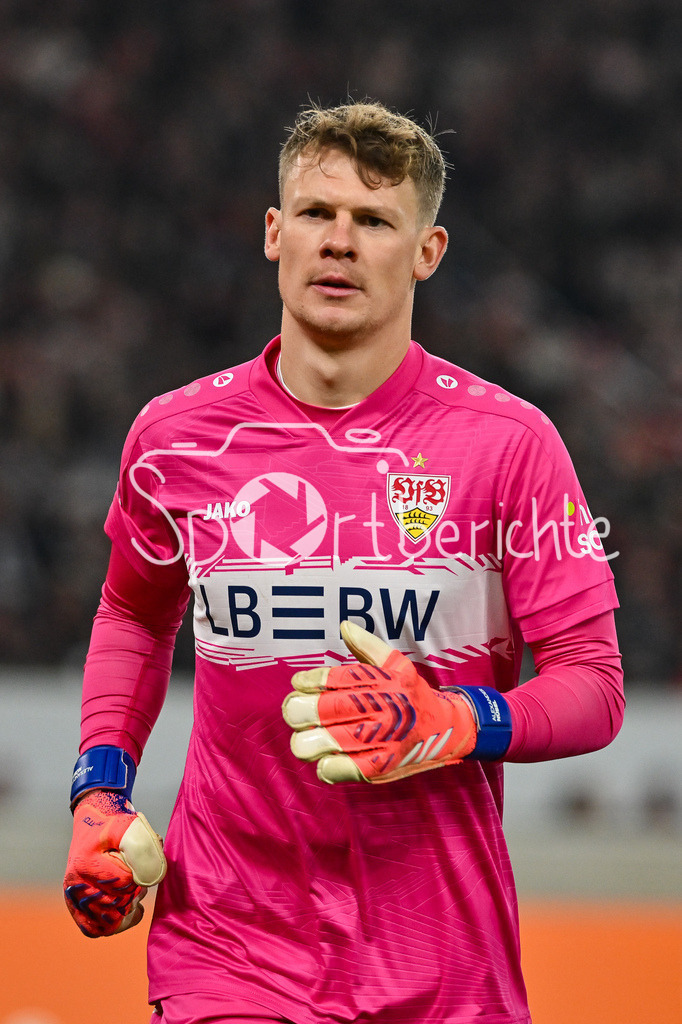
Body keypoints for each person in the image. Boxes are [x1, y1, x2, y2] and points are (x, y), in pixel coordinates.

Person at [63, 101, 625, 1024]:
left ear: (427, 252)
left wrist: (455, 719)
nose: (341, 242)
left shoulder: (510, 446)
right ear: (275, 234)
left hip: (442, 959)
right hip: (227, 942)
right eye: (318, 215)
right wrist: (99, 793)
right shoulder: (173, 439)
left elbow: (593, 685)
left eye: (373, 221)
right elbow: (132, 614)